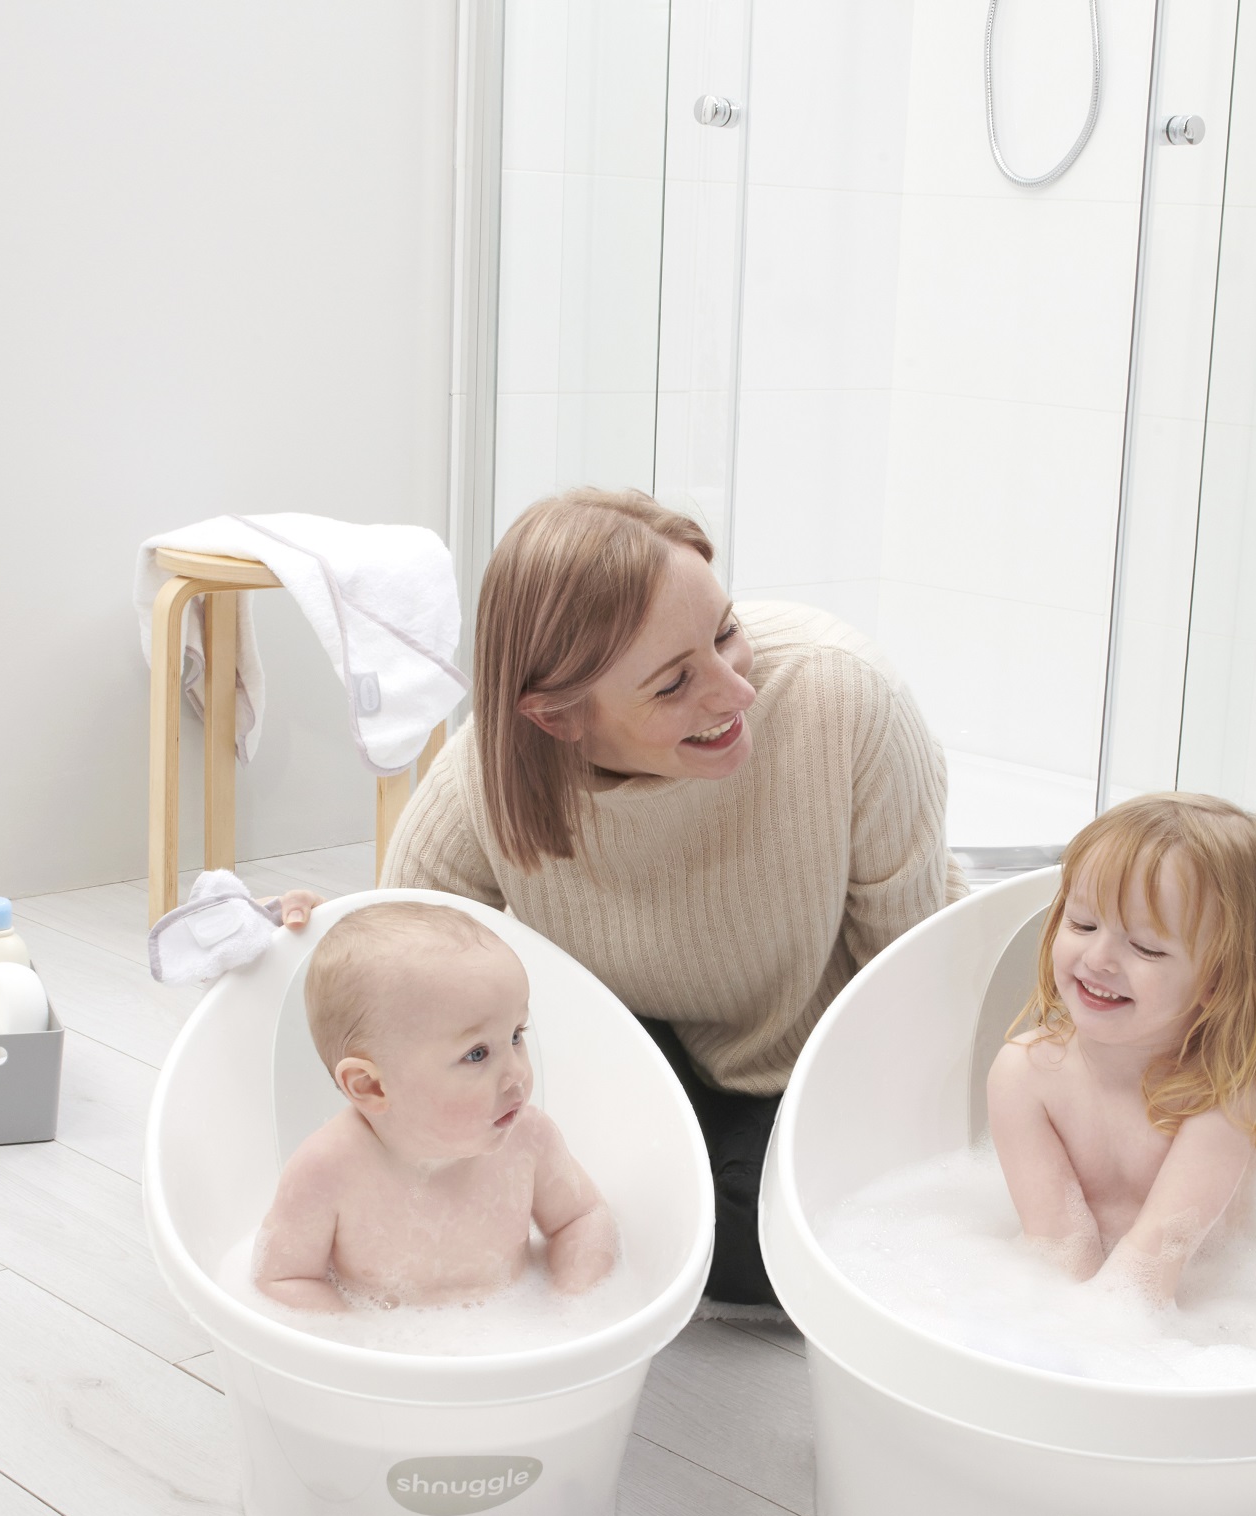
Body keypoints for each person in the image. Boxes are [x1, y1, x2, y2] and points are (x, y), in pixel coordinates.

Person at [382, 488, 962, 1315]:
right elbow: (392, 965)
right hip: (643, 1043)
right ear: (559, 718)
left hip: (819, 1048)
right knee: (614, 1204)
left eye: (725, 633)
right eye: (673, 684)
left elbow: (909, 988)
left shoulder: (842, 698)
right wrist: (306, 934)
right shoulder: (485, 780)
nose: (735, 691)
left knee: (764, 1245)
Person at [987, 793, 1256, 1302]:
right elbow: (1057, 1250)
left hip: (1198, 1308)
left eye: (1146, 947)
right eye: (1082, 924)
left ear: (1219, 978)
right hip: (1096, 1308)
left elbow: (1149, 1270)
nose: (1099, 959)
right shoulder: (1024, 1075)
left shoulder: (1223, 1094)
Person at [254, 902, 615, 1312]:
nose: (517, 1073)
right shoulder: (328, 1169)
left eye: (516, 1034)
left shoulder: (530, 1139)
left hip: (514, 1333)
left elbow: (584, 1219)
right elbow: (282, 1278)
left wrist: (569, 1305)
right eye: (477, 1054)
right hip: (382, 1341)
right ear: (371, 1086)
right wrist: (353, 1339)